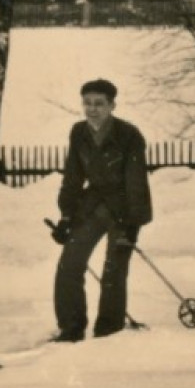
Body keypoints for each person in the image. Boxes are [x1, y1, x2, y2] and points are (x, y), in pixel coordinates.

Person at [51, 78, 152, 341]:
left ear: (111, 106)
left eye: (99, 104)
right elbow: (72, 176)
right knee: (69, 265)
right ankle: (71, 328)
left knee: (113, 270)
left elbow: (136, 181)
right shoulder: (79, 132)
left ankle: (108, 330)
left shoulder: (129, 135)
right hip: (91, 207)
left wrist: (132, 225)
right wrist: (66, 216)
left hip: (124, 208)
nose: (92, 109)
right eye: (87, 103)